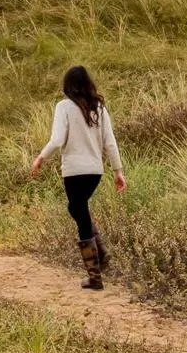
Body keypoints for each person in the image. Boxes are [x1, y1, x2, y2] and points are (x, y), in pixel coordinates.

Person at [29, 64, 126, 290]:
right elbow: (110, 143)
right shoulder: (99, 108)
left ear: (67, 85)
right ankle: (100, 253)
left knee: (79, 213)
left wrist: (41, 158)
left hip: (73, 171)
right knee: (77, 209)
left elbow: (57, 139)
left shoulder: (64, 107)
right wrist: (117, 171)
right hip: (94, 172)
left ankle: (95, 275)